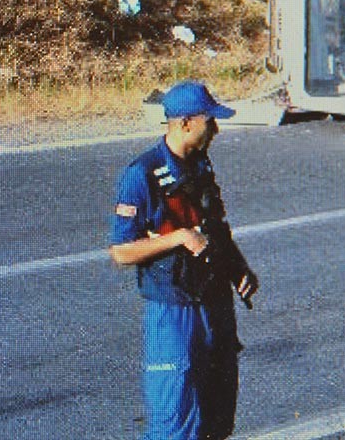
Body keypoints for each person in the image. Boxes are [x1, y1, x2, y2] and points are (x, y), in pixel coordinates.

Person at [109, 81, 259, 440]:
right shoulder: (142, 174)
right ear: (186, 122)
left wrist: (239, 267)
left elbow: (215, 226)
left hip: (214, 298)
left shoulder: (201, 166)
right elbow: (121, 251)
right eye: (211, 121)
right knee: (173, 419)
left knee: (218, 412)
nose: (217, 129)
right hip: (173, 307)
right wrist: (178, 237)